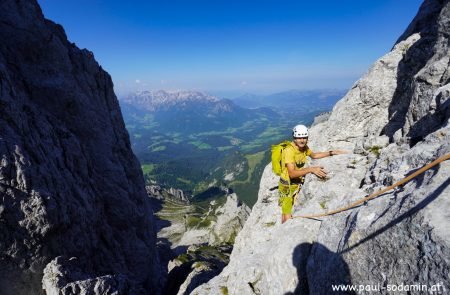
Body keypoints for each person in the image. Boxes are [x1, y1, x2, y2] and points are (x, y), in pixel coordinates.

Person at [279, 124, 348, 223]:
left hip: (296, 183)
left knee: (289, 208)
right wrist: (311, 169)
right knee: (287, 216)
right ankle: (283, 232)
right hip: (286, 185)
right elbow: (292, 173)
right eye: (299, 138)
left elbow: (314, 155)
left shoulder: (303, 147)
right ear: (294, 138)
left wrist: (331, 152)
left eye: (304, 137)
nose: (302, 140)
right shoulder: (289, 151)